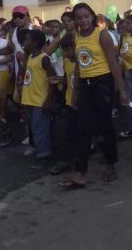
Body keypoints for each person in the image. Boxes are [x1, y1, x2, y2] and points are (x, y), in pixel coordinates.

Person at [60, 3, 128, 189]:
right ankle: (80, 173)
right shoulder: (76, 37)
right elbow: (78, 65)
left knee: (105, 127)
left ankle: (110, 165)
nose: (83, 20)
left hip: (103, 83)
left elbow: (113, 64)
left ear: (92, 17)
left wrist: (121, 91)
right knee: (83, 128)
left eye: (86, 16)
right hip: (86, 85)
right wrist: (74, 93)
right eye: (79, 17)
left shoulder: (102, 35)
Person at [21, 29, 56, 169]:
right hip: (30, 99)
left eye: (27, 40)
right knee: (33, 128)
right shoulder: (30, 57)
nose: (24, 42)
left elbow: (52, 79)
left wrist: (48, 99)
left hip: (40, 100)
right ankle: (38, 149)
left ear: (35, 43)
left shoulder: (44, 58)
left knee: (40, 129)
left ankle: (44, 156)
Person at [48, 34, 78, 175]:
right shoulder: (67, 62)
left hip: (81, 103)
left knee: (89, 130)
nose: (64, 54)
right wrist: (59, 80)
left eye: (67, 50)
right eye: (63, 50)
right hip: (69, 102)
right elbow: (68, 79)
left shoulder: (82, 62)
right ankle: (66, 161)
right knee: (66, 132)